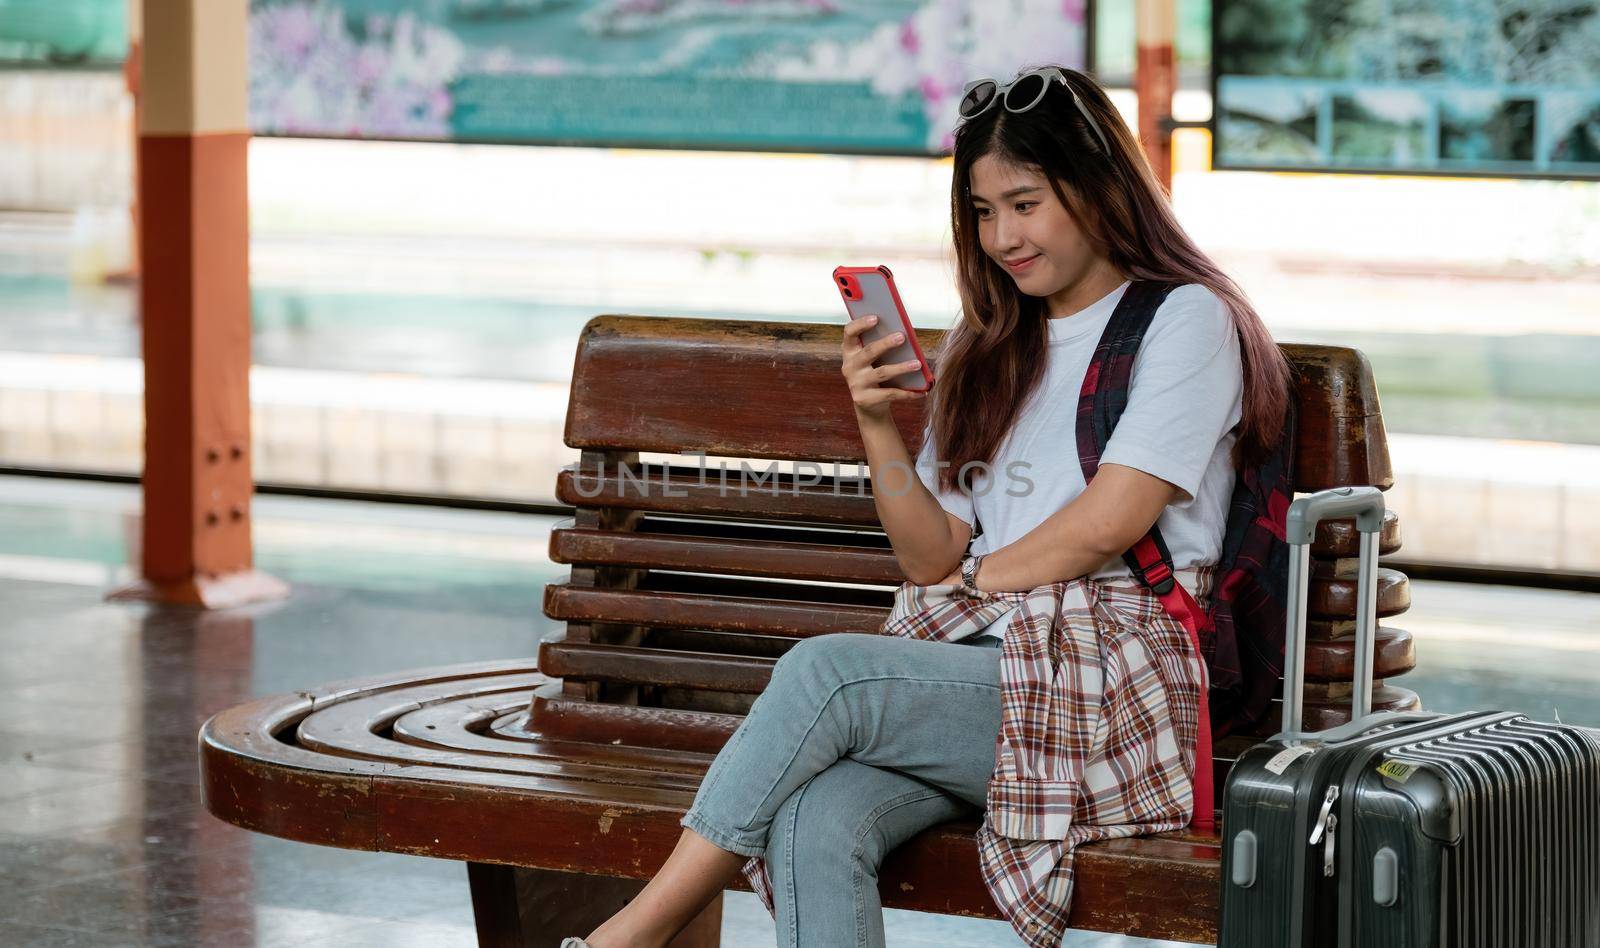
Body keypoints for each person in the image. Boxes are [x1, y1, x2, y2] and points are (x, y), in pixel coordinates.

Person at [564, 64, 1290, 948]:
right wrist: (876, 419)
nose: (1002, 238)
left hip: (1110, 682)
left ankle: (631, 936)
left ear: (1100, 184)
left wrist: (977, 586)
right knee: (814, 822)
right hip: (984, 684)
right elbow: (927, 557)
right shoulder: (994, 348)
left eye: (1025, 204)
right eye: (983, 213)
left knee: (826, 674)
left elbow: (1114, 516)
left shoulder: (1184, 320)